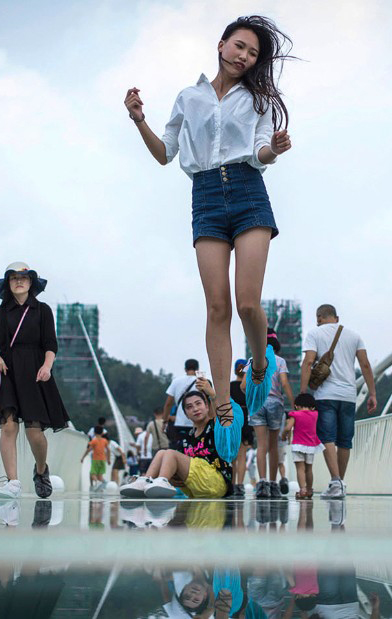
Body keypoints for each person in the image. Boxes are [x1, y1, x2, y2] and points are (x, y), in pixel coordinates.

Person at [125, 15, 295, 426]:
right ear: (221, 45)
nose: (245, 56)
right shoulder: (189, 97)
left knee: (247, 303)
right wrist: (138, 120)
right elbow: (165, 153)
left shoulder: (259, 101)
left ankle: (258, 365)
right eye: (240, 46)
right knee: (217, 306)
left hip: (249, 191)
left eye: (253, 53)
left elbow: (259, 153)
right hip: (205, 197)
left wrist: (273, 148)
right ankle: (223, 402)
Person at [0, 262, 69, 500]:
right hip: (7, 371)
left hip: (35, 372)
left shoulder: (43, 310)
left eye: (23, 278)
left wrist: (47, 367)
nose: (19, 281)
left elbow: (50, 345)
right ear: (8, 283)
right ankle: (12, 482)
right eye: (14, 278)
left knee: (35, 432)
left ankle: (40, 469)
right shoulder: (2, 312)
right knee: (8, 425)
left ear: (31, 283)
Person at [299, 304, 378, 499]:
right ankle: (339, 483)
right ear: (336, 317)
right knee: (345, 441)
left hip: (325, 395)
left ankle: (336, 481)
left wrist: (303, 393)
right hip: (349, 395)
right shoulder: (354, 335)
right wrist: (373, 393)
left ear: (319, 318)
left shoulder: (314, 334)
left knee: (327, 438)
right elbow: (365, 365)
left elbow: (308, 362)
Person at [120, 377, 244, 499]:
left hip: (217, 482)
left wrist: (211, 394)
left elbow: (222, 411)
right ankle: (145, 481)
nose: (195, 409)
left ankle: (162, 481)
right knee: (162, 453)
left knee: (170, 453)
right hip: (196, 487)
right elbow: (176, 466)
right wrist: (174, 478)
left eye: (198, 404)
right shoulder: (186, 439)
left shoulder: (215, 426)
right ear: (186, 415)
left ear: (207, 406)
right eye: (189, 407)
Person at [251, 329, 295, 499]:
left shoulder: (253, 361)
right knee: (273, 445)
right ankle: (273, 483)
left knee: (261, 445)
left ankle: (261, 484)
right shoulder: (280, 361)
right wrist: (293, 404)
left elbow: (243, 387)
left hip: (257, 403)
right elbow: (284, 383)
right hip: (275, 404)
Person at [282, 393, 321, 499]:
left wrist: (283, 436)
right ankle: (309, 490)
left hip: (298, 445)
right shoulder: (315, 414)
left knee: (300, 468)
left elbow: (288, 428)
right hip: (311, 446)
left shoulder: (295, 414)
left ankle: (302, 490)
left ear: (296, 406)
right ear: (312, 406)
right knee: (309, 469)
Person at [230, 358, 254, 497]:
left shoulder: (230, 386)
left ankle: (232, 484)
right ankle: (240, 485)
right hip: (245, 419)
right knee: (242, 455)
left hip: (233, 419)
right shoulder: (248, 387)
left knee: (232, 456)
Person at [163, 359, 201, 447]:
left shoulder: (176, 381)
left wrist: (164, 421)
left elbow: (168, 403)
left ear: (185, 369)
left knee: (179, 450)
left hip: (180, 423)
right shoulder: (201, 382)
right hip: (197, 423)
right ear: (197, 369)